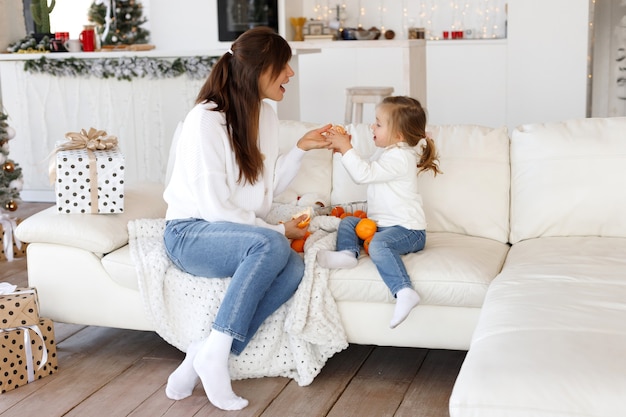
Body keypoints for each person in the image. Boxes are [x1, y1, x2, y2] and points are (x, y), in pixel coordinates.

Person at [162, 27, 331, 411]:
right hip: (190, 233)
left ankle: (205, 354)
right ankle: (215, 358)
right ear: (258, 70)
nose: (290, 74)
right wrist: (273, 230)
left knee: (293, 268)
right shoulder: (205, 120)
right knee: (273, 243)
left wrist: (301, 149)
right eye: (283, 66)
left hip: (233, 233)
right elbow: (215, 209)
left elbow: (265, 191)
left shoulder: (265, 116)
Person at [317, 96, 441, 329]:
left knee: (378, 246)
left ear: (398, 135)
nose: (372, 127)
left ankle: (403, 291)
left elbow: (364, 174)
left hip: (408, 230)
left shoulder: (401, 157)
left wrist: (347, 149)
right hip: (384, 225)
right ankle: (347, 254)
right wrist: (346, 151)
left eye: (378, 123)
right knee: (349, 223)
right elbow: (367, 167)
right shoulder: (390, 151)